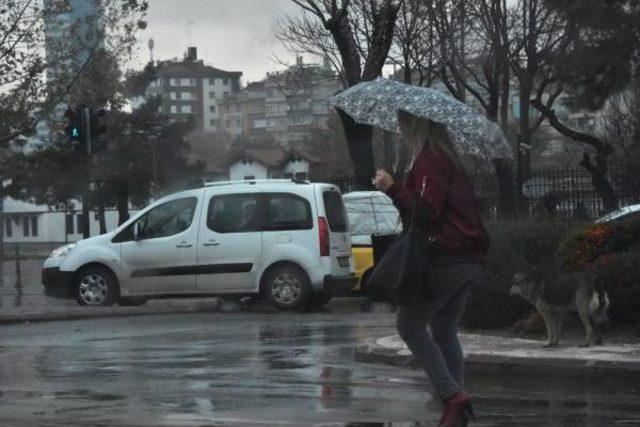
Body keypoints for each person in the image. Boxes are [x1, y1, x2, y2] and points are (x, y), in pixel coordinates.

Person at [372, 111, 489, 427]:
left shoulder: (430, 160)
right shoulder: (449, 159)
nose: (400, 131)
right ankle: (456, 412)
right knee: (443, 329)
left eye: (403, 124)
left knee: (408, 325)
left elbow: (426, 213)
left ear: (417, 125)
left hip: (447, 257)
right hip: (468, 257)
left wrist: (393, 187)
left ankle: (453, 397)